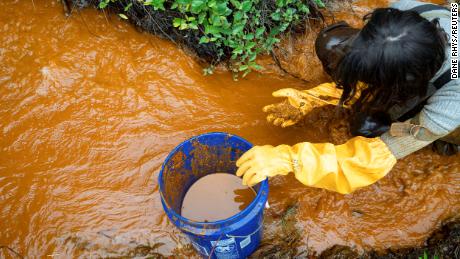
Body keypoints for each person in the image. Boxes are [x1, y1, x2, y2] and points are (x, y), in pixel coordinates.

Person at [236, 0, 460, 194]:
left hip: (449, 104)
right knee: (331, 44)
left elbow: (372, 158)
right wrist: (316, 97)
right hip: (423, 65)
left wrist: (289, 159)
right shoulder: (403, 11)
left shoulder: (451, 103)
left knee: (369, 128)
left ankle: (444, 143)